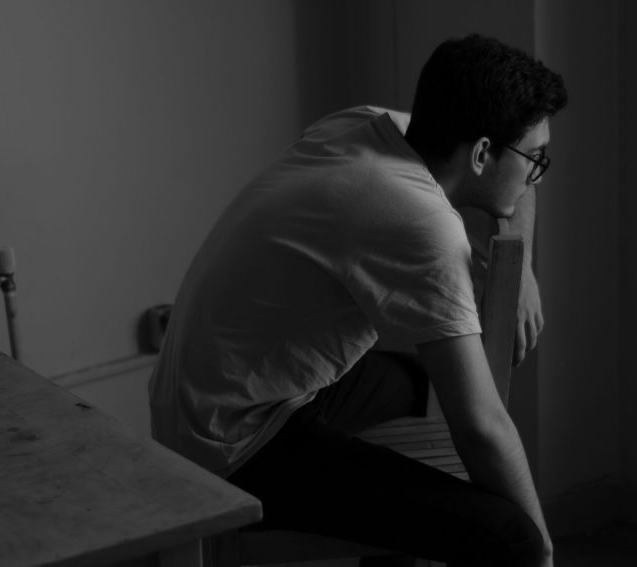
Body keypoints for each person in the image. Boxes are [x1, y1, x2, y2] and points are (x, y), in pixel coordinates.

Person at [149, 33, 567, 566]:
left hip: (215, 391)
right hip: (232, 444)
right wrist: (547, 550)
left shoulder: (370, 125)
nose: (536, 173)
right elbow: (481, 426)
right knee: (515, 541)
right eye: (535, 158)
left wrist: (523, 268)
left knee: (420, 385)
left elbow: (517, 185)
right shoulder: (420, 222)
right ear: (482, 152)